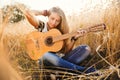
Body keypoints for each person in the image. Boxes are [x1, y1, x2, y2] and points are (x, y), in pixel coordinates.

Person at [25, 6, 95, 73]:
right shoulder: (42, 26)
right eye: (52, 18)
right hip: (46, 62)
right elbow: (28, 13)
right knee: (45, 55)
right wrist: (43, 12)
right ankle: (84, 70)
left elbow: (67, 52)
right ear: (48, 16)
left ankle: (59, 72)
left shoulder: (60, 32)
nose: (54, 22)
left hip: (59, 61)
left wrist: (74, 38)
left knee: (85, 48)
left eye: (57, 21)